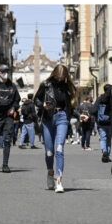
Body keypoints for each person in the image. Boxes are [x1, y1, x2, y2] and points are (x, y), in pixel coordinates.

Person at [34, 64, 77, 193]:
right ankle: (50, 173)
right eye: (58, 76)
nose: (60, 79)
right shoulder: (46, 85)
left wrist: (80, 116)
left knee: (59, 149)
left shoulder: (67, 87)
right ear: (54, 74)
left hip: (62, 117)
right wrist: (43, 105)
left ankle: (59, 181)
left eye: (63, 77)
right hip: (48, 118)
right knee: (49, 151)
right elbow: (36, 100)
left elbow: (70, 106)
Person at [93, 84, 112, 163]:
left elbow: (94, 110)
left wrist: (96, 120)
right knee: (109, 139)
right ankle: (107, 155)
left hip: (101, 123)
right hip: (110, 122)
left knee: (102, 138)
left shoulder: (100, 98)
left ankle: (104, 150)